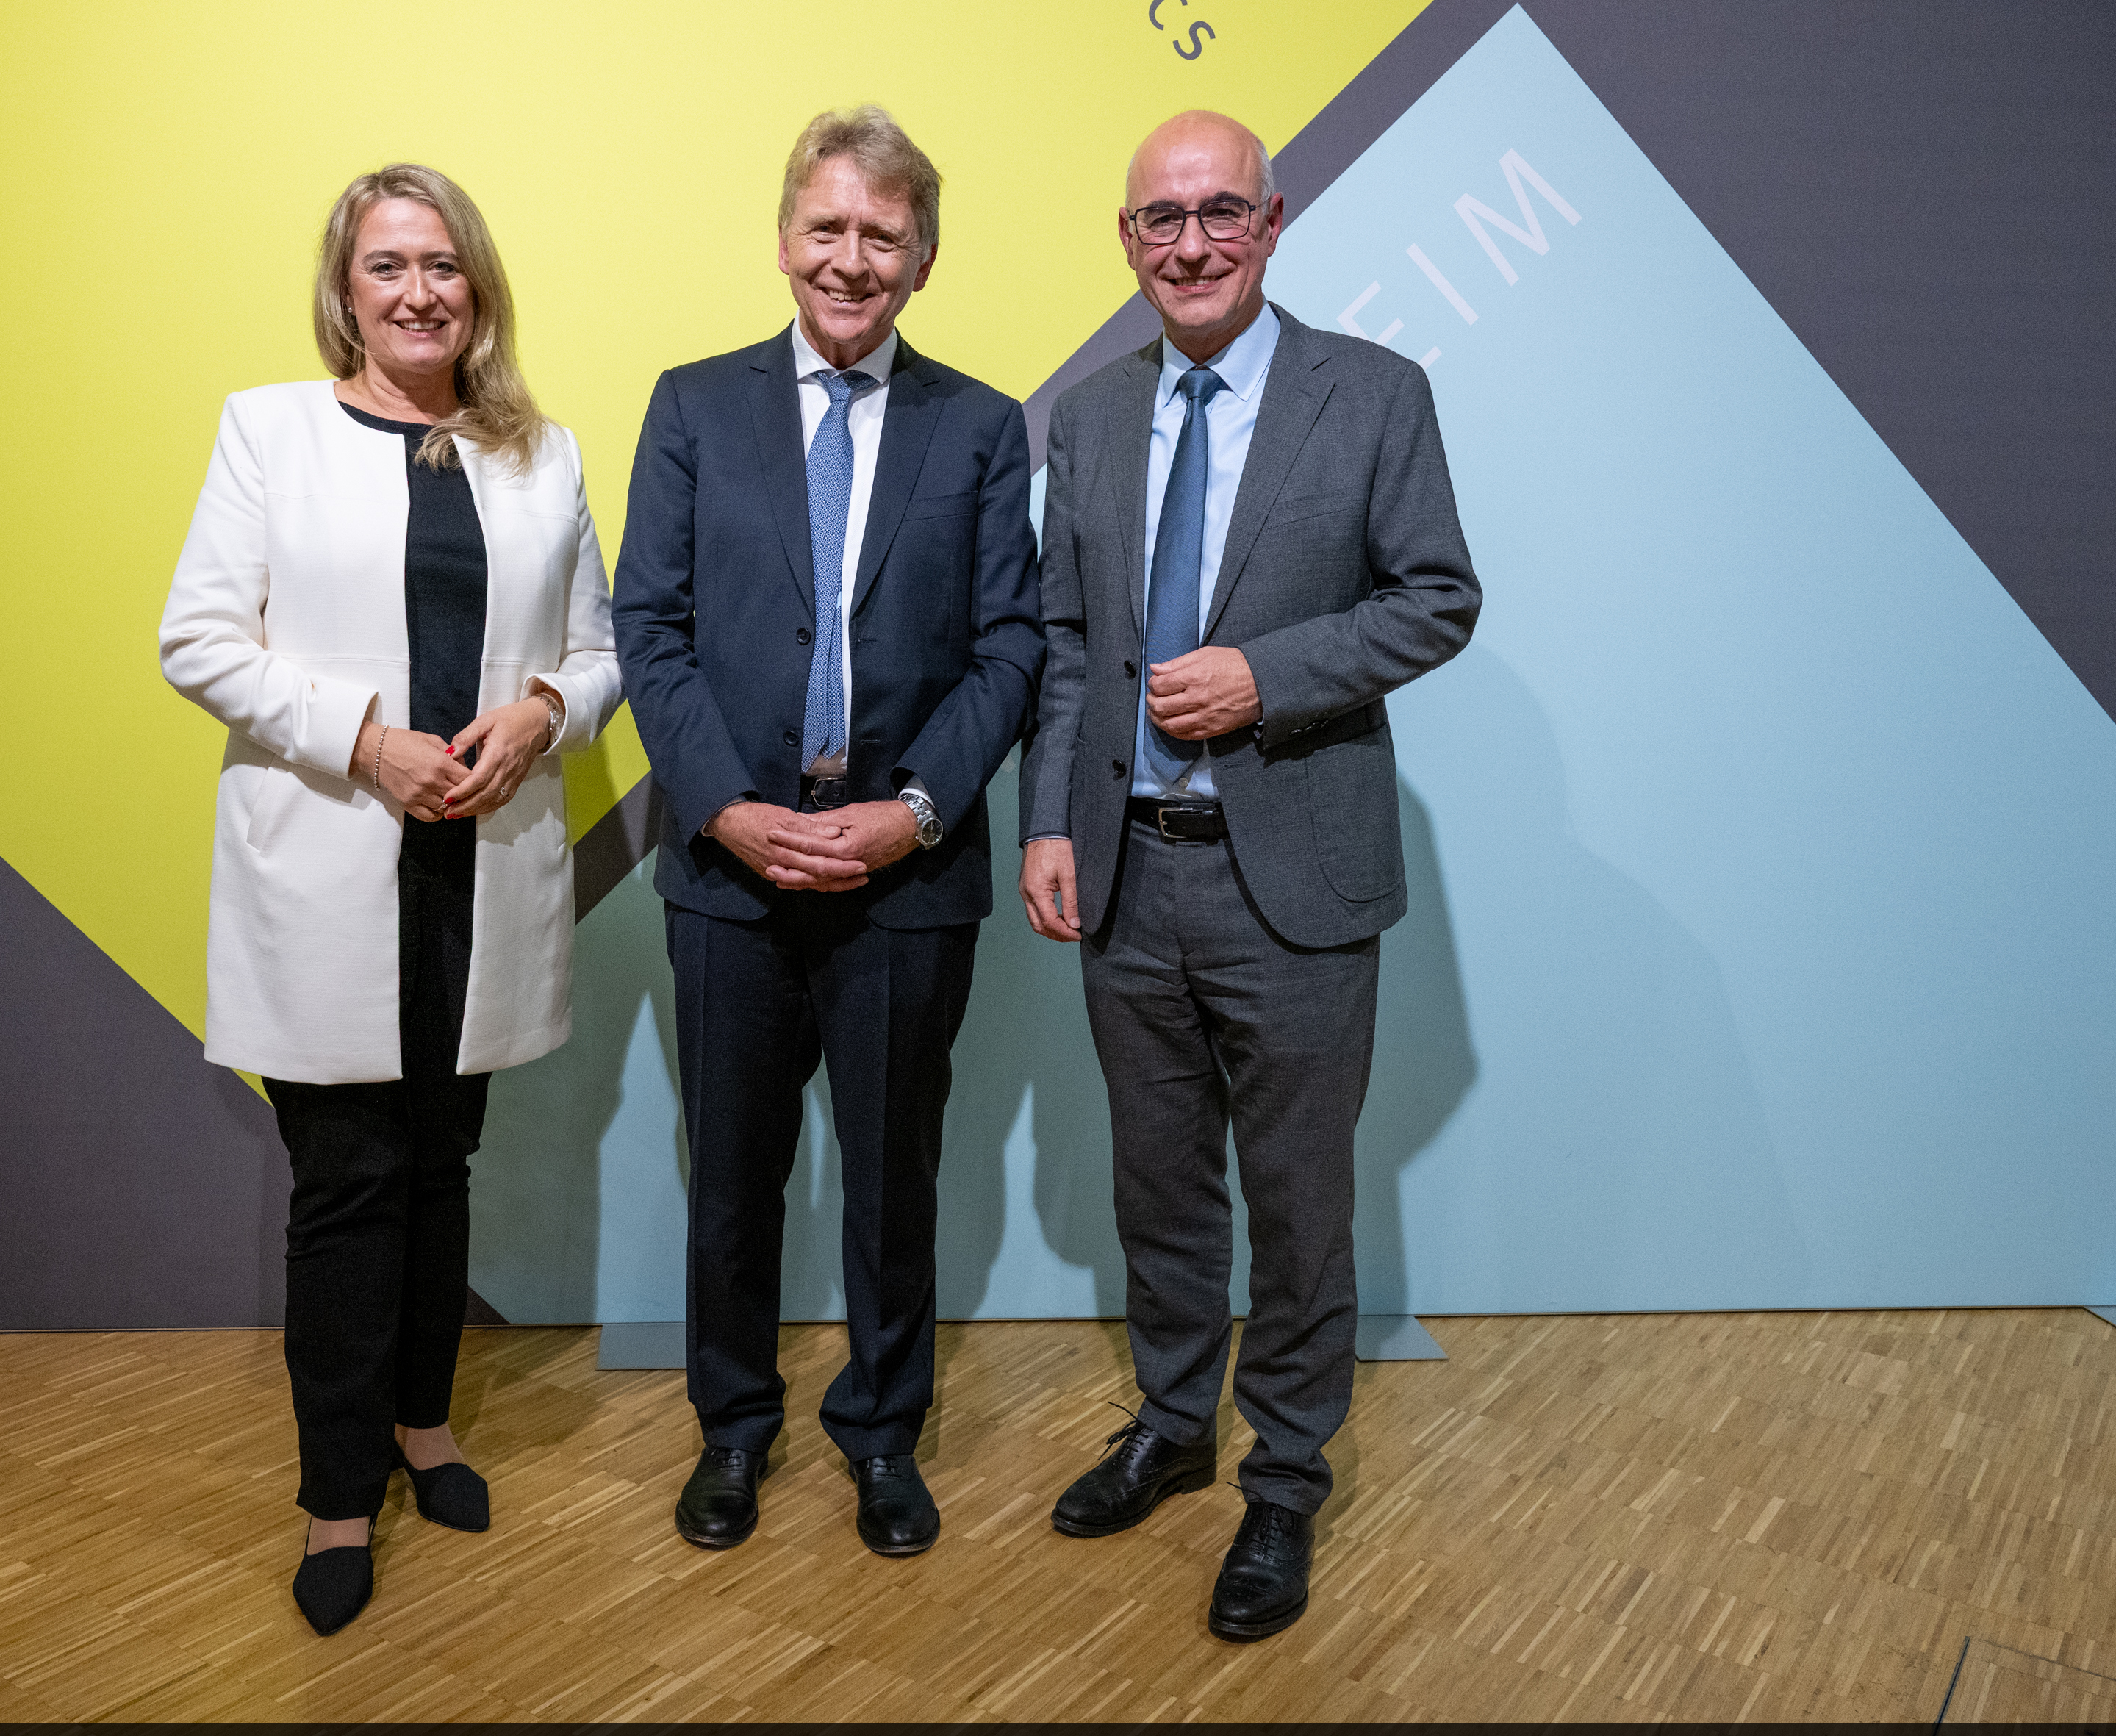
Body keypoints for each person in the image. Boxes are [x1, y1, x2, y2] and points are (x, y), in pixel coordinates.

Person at [1017, 110, 1480, 1640]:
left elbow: (1436, 598)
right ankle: (1169, 1422)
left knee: (1293, 1194)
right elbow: (1069, 644)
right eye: (1160, 219)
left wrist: (1263, 678)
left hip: (1292, 874)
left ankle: (1284, 1471)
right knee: (1157, 1183)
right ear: (1128, 240)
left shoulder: (1373, 393)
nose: (1191, 243)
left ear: (1272, 223)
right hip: (1129, 877)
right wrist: (1045, 821)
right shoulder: (1082, 418)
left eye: (1220, 212)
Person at [159, 164, 620, 1636]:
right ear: (344, 290)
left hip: (478, 871)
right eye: (386, 267)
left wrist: (543, 710)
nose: (418, 289)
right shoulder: (268, 430)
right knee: (347, 1188)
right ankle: (337, 1493)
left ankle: (425, 1424)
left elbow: (599, 649)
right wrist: (363, 733)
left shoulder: (538, 452)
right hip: (336, 866)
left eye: (443, 263)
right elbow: (197, 637)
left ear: (477, 285)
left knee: (441, 1170)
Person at [613, 105, 1041, 1559]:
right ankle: (732, 1429)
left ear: (922, 258)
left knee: (887, 1176)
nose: (849, 259)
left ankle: (879, 1432)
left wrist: (913, 811)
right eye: (826, 228)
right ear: (781, 237)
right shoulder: (690, 406)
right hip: (726, 875)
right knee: (729, 1177)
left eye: (882, 234)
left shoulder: (980, 429)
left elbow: (1008, 651)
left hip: (903, 883)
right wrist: (725, 807)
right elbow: (649, 629)